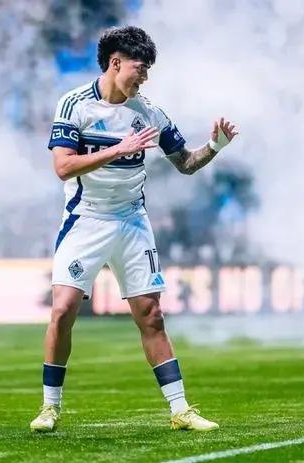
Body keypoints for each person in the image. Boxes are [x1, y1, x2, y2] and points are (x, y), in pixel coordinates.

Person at [31, 26, 238, 433]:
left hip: (131, 221)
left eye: (146, 72)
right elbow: (62, 167)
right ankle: (50, 407)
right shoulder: (73, 105)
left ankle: (180, 410)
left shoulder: (150, 112)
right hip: (84, 219)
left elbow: (185, 162)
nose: (143, 79)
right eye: (139, 70)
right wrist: (117, 150)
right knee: (63, 309)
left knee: (152, 315)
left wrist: (214, 147)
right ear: (115, 63)